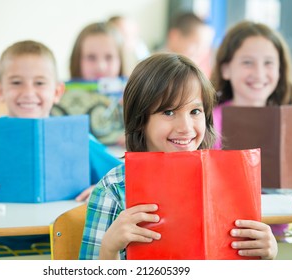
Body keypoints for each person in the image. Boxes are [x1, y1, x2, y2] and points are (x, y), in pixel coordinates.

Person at [0, 40, 121, 259]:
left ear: (57, 91)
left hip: (61, 256)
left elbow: (128, 181)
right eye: (16, 82)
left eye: (39, 83)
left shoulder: (78, 141)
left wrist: (103, 193)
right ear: (0, 91)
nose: (28, 92)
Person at [79, 53, 278, 260]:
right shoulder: (113, 189)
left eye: (195, 111)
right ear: (140, 119)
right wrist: (109, 249)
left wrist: (268, 256)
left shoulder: (228, 180)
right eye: (168, 112)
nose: (185, 127)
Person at [210, 21, 292, 188]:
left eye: (268, 63)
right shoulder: (208, 121)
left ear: (280, 70)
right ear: (225, 69)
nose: (259, 73)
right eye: (247, 62)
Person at [161, 12, 214, 77]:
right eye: (196, 45)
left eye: (203, 47)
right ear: (175, 36)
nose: (200, 52)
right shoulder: (154, 70)